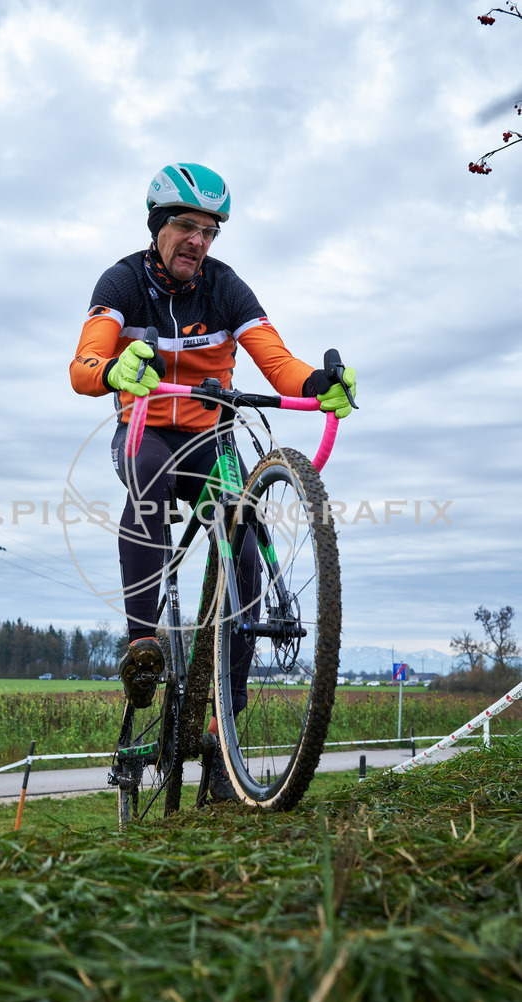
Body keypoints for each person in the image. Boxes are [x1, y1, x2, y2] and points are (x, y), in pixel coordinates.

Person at [70, 162, 355, 799]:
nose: (197, 241)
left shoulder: (226, 288)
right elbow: (84, 362)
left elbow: (277, 361)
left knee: (243, 548)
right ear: (157, 226)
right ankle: (143, 646)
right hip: (146, 431)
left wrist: (317, 384)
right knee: (146, 479)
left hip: (210, 441)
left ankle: (226, 728)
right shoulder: (122, 281)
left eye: (209, 231)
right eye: (186, 226)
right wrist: (114, 369)